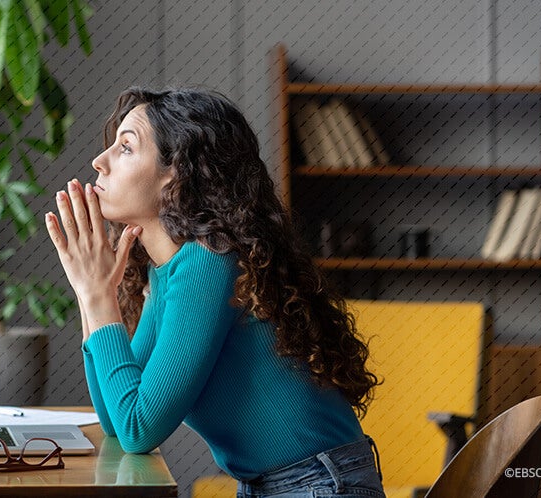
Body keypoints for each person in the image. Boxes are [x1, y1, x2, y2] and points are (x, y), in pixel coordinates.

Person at [45, 86, 385, 498]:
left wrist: (100, 299)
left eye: (126, 148)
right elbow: (118, 422)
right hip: (286, 485)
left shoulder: (209, 262)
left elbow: (139, 429)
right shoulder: (171, 273)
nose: (100, 162)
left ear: (177, 172)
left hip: (322, 486)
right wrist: (90, 294)